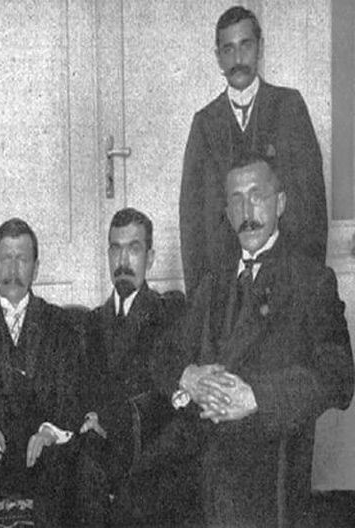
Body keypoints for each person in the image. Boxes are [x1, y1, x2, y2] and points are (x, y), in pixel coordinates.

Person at [169, 155, 353, 526]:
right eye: (236, 200)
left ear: (280, 203)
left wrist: (257, 397)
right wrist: (188, 376)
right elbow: (165, 353)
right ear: (227, 211)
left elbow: (340, 376)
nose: (246, 211)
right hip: (202, 463)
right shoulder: (213, 281)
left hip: (270, 468)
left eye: (257, 196)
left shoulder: (311, 280)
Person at [180, 5, 326, 295]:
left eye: (245, 45)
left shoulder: (289, 107)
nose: (237, 59)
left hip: (286, 284)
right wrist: (201, 299)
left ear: (260, 47)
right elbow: (192, 220)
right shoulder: (204, 124)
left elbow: (313, 207)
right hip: (225, 288)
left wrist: (309, 290)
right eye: (228, 49)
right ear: (218, 57)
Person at [0, 218, 82, 527]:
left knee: (63, 461)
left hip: (42, 453)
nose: (13, 269)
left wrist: (48, 433)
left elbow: (70, 394)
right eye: (6, 259)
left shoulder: (60, 325)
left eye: (22, 259)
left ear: (35, 268)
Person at [78, 207, 199, 527]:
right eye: (116, 249)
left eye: (133, 249)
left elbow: (175, 395)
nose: (123, 261)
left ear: (150, 257)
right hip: (101, 444)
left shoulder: (171, 313)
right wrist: (91, 417)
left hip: (151, 445)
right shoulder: (91, 323)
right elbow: (82, 388)